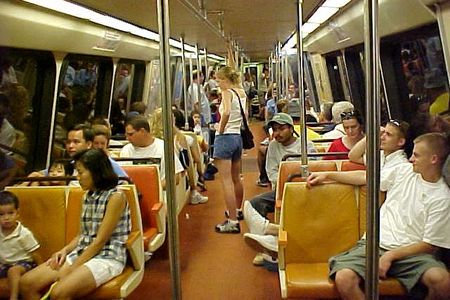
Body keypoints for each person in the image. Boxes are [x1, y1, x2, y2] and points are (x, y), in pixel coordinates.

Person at [307, 133, 450, 299]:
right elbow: (367, 178)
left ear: (433, 159)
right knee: (345, 278)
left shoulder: (442, 197)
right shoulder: (404, 171)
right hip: (376, 243)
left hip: (412, 254)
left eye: (416, 155)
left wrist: (391, 256)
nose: (410, 159)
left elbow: (429, 244)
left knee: (442, 281)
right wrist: (328, 175)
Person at [20, 149, 131, 299]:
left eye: (80, 172)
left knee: (59, 292)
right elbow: (82, 235)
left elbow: (99, 241)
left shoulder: (116, 197)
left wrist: (73, 267)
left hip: (107, 257)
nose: (77, 177)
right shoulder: (87, 195)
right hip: (82, 251)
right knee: (26, 283)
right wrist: (64, 251)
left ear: (96, 172)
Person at [243, 112, 316, 264]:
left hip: (308, 188)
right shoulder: (273, 147)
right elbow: (271, 171)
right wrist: (283, 185)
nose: (277, 133)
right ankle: (265, 245)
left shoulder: (306, 145)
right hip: (282, 189)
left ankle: (274, 232)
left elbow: (316, 167)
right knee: (253, 204)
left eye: (281, 129)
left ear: (291, 128)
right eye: (274, 130)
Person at [213, 66, 246, 234]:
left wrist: (220, 129)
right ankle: (238, 211)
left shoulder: (226, 93)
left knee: (226, 181)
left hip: (225, 137)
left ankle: (232, 221)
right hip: (237, 138)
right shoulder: (241, 93)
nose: (218, 84)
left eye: (219, 80)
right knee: (236, 178)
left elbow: (225, 112)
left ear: (225, 80)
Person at [120, 116, 184, 190]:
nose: (127, 138)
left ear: (142, 131)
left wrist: (153, 190)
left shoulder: (164, 147)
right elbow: (123, 178)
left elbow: (175, 177)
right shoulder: (126, 150)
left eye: (131, 134)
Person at [0, 191, 41, 300]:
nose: (6, 218)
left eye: (10, 213)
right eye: (1, 214)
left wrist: (40, 269)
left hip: (24, 263)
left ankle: (14, 297)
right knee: (9, 269)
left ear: (17, 213)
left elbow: (35, 253)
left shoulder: (24, 233)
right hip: (5, 264)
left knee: (13, 271)